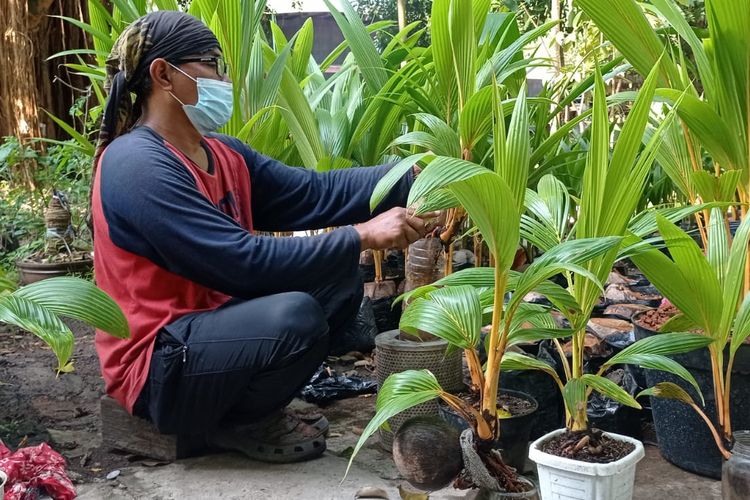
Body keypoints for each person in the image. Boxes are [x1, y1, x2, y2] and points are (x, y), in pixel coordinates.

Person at [91, 10, 432, 463]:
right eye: (211, 63)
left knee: (336, 282)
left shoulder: (223, 154)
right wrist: (362, 236)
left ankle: (240, 406)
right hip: (157, 366)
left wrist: (412, 177)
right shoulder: (135, 164)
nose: (224, 79)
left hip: (210, 333)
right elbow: (240, 263)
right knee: (296, 317)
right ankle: (237, 423)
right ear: (163, 75)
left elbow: (314, 191)